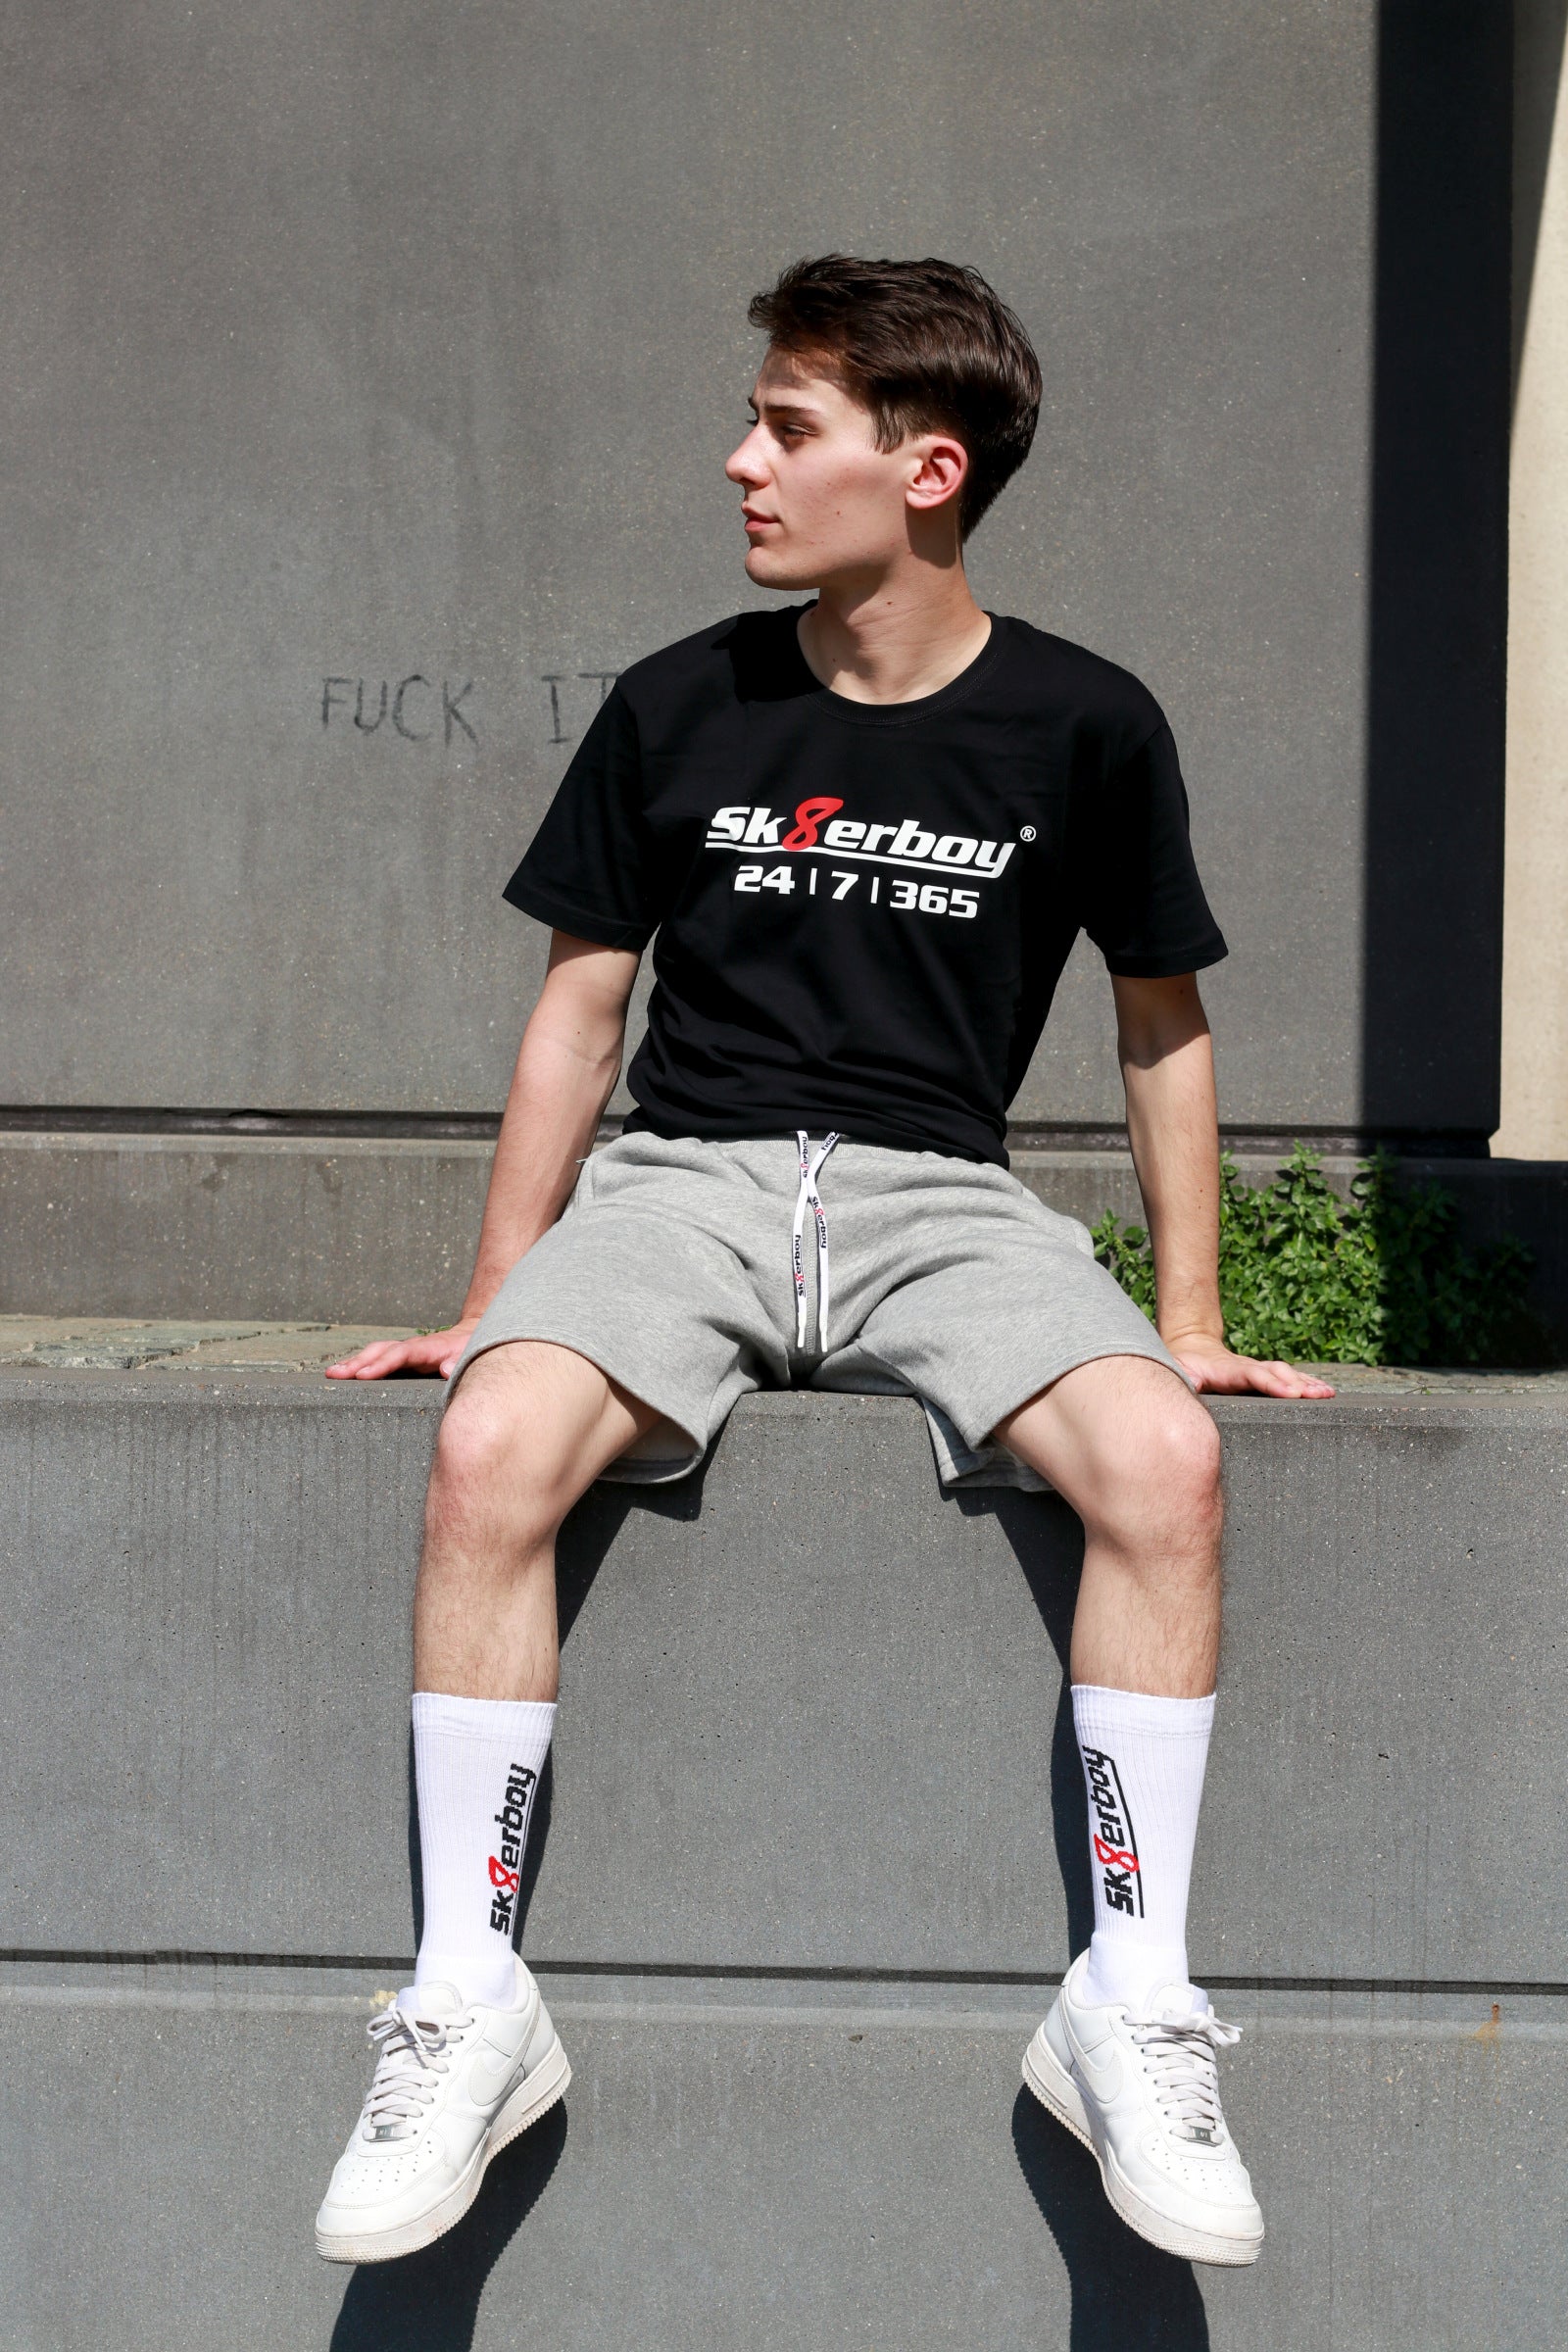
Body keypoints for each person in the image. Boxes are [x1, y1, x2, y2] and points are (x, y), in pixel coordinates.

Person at [313, 254, 1333, 2272]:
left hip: (940, 1202)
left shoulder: (1083, 722)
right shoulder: (678, 700)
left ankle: (1131, 2003)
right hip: (678, 1186)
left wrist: (1191, 1323)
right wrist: (495, 1301)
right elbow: (578, 1013)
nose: (741, 461)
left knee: (1167, 1462)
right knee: (492, 1443)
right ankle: (465, 2004)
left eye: (787, 427)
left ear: (924, 468)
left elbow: (1160, 1026)